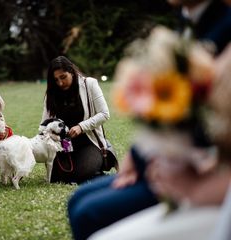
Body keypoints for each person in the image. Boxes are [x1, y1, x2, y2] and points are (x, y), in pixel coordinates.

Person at [67, 1, 231, 239]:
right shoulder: (183, 25)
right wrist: (136, 154)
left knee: (88, 212)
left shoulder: (223, 28)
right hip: (161, 163)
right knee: (78, 199)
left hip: (197, 171)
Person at [41, 55, 110, 184]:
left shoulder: (89, 84)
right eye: (56, 80)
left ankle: (99, 161)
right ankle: (92, 172)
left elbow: (104, 113)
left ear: (71, 72)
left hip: (88, 142)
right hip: (62, 146)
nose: (60, 83)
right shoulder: (51, 93)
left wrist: (81, 127)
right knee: (58, 177)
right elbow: (43, 124)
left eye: (63, 77)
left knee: (82, 173)